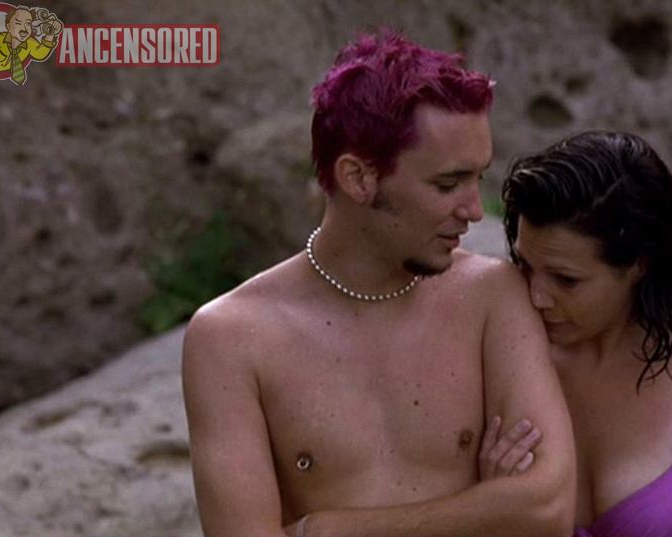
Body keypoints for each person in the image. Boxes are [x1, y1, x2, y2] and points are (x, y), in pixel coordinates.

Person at [182, 31, 576, 537]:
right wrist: (489, 507)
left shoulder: (492, 296)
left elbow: (546, 509)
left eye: (477, 179)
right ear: (358, 178)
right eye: (447, 184)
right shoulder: (231, 339)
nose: (474, 211)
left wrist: (327, 530)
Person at [480, 131, 672, 536]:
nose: (536, 297)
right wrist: (490, 511)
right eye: (524, 265)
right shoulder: (503, 360)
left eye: (566, 280)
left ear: (640, 264)